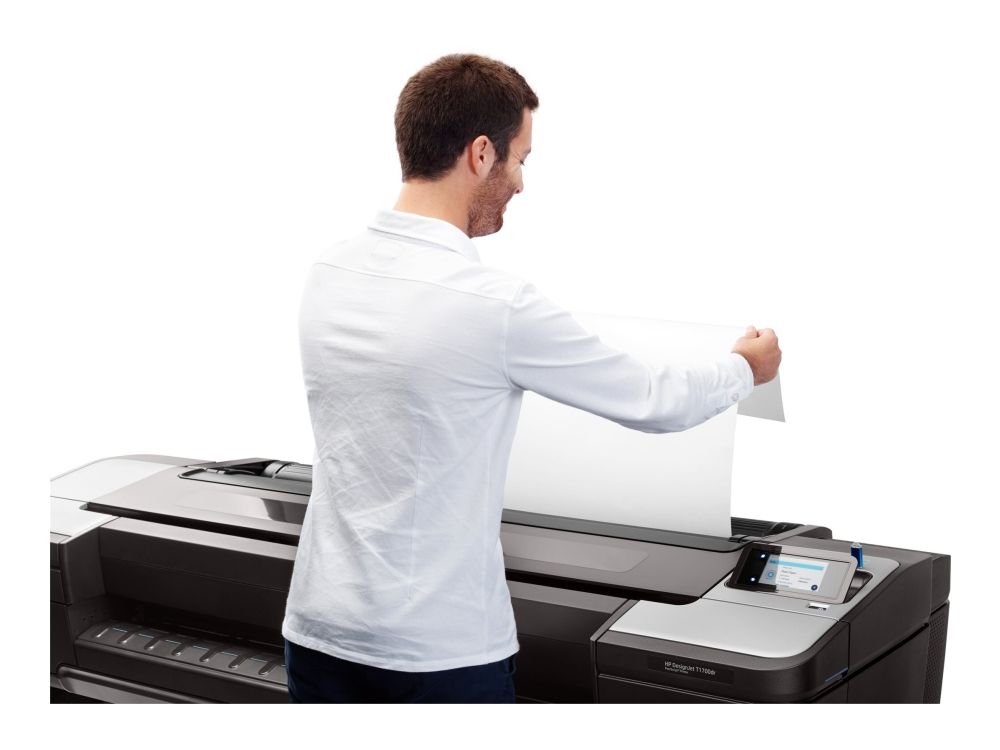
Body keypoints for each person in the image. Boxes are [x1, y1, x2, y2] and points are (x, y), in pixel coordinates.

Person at [282, 53, 781, 704]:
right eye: (521, 159)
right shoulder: (493, 305)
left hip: (318, 632)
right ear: (480, 153)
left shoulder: (330, 272)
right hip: (435, 654)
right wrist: (746, 367)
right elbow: (654, 401)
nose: (520, 183)